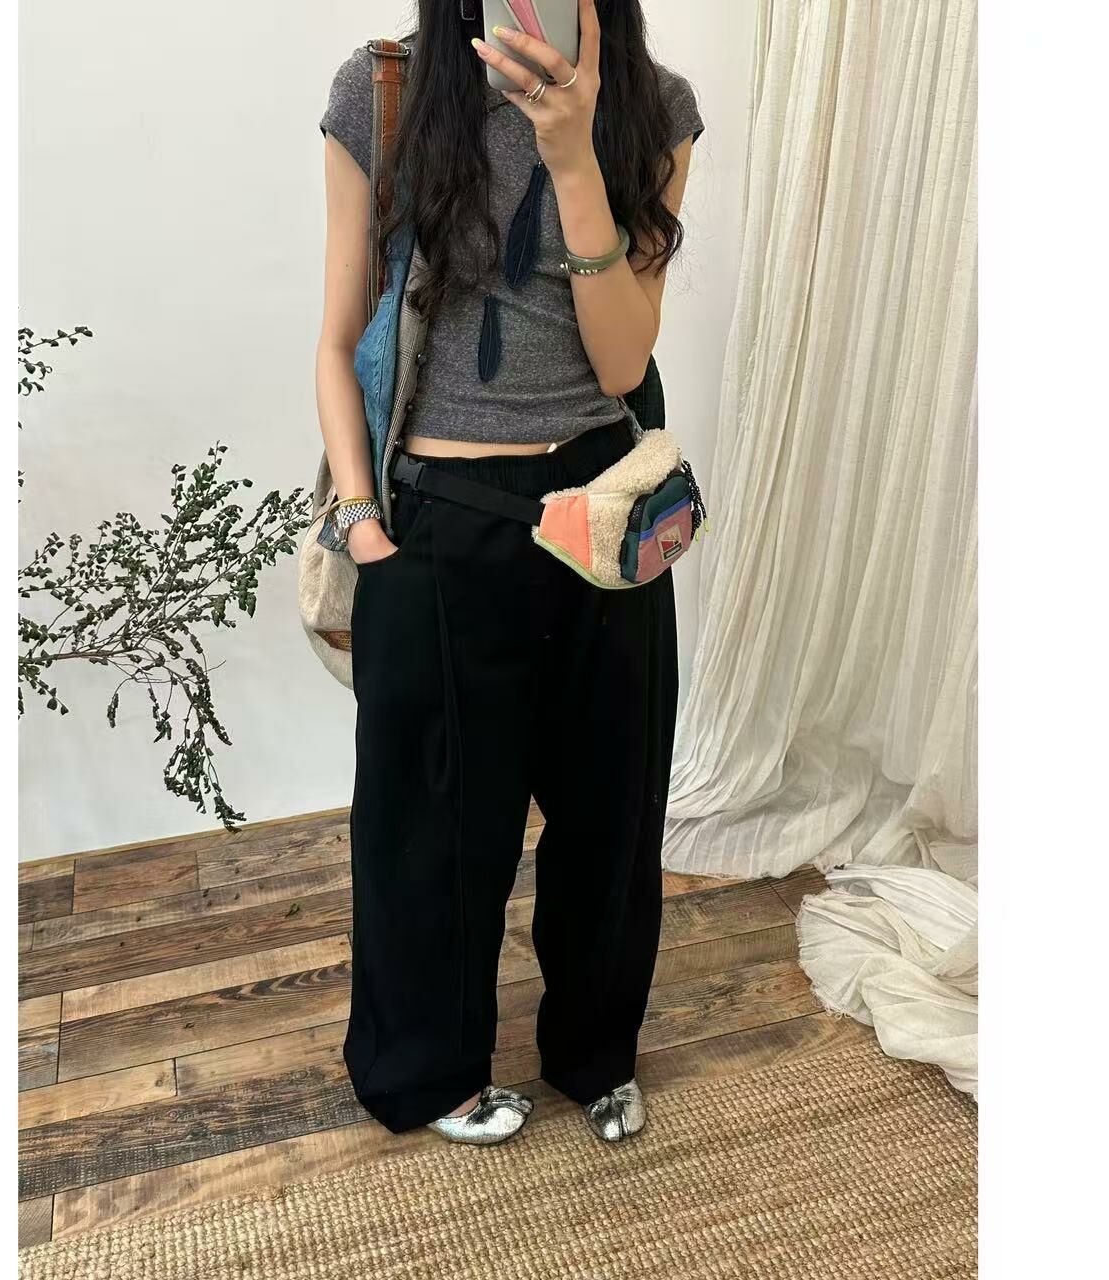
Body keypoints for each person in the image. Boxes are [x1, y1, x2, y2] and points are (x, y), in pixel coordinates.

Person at [315, 0, 704, 1145]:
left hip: (603, 510)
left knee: (610, 814)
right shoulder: (383, 93)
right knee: (429, 828)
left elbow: (621, 358)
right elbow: (336, 340)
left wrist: (572, 155)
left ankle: (594, 1049)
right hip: (439, 514)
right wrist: (360, 524)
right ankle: (427, 1069)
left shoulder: (652, 111)